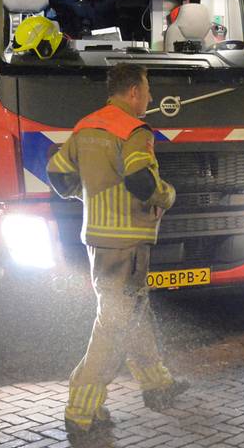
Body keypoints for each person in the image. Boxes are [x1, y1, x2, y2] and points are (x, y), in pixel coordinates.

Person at [46, 64, 187, 441]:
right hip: (128, 242)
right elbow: (142, 179)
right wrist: (168, 196)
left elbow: (58, 174)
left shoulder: (86, 126)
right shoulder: (133, 130)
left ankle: (157, 384)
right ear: (134, 93)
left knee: (129, 311)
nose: (151, 97)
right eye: (148, 90)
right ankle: (81, 409)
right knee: (112, 326)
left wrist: (88, 195)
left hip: (98, 238)